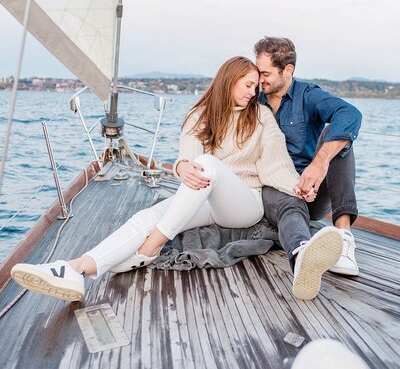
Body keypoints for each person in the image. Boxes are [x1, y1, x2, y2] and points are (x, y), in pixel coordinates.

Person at [11, 56, 343, 302]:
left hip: (244, 203)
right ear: (229, 81)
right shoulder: (199, 115)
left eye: (256, 86)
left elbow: (276, 165)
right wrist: (180, 166)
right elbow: (187, 156)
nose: (252, 93)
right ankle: (75, 269)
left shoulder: (261, 117)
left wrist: (298, 188)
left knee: (207, 165)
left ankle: (151, 246)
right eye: (247, 85)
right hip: (203, 194)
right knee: (146, 215)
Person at [254, 36, 362, 276]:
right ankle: (303, 255)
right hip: (273, 188)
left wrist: (319, 163)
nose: (260, 80)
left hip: (310, 191)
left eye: (266, 73)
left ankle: (344, 238)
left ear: (288, 69)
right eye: (258, 72)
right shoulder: (253, 99)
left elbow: (350, 113)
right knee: (286, 201)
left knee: (338, 138)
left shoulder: (307, 95)